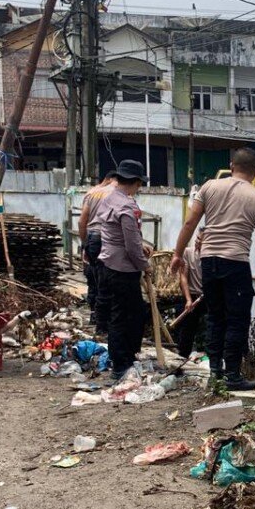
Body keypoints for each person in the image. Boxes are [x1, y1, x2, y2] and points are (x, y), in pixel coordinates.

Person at [170, 148, 255, 392]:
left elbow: (190, 222)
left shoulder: (209, 187)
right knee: (237, 319)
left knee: (215, 316)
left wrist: (177, 254)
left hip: (208, 261)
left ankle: (215, 371)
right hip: (235, 262)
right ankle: (233, 375)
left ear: (231, 166)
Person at [92, 160, 149, 381]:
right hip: (123, 269)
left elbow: (122, 236)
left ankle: (124, 359)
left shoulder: (109, 199)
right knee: (125, 316)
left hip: (108, 264)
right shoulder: (126, 206)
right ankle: (121, 363)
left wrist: (140, 247)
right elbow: (131, 245)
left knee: (125, 313)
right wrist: (145, 265)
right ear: (135, 182)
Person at [77, 171, 116, 330]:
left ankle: (95, 315)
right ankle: (104, 322)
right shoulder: (116, 193)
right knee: (106, 280)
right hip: (107, 238)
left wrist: (85, 244)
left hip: (92, 238)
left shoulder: (91, 193)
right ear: (112, 180)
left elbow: (82, 222)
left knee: (93, 277)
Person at [173, 227, 206, 359]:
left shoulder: (210, 257)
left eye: (201, 240)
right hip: (191, 296)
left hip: (206, 296)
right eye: (197, 238)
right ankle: (182, 357)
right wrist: (188, 299)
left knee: (208, 329)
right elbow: (183, 277)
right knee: (187, 330)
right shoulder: (187, 252)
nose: (198, 241)